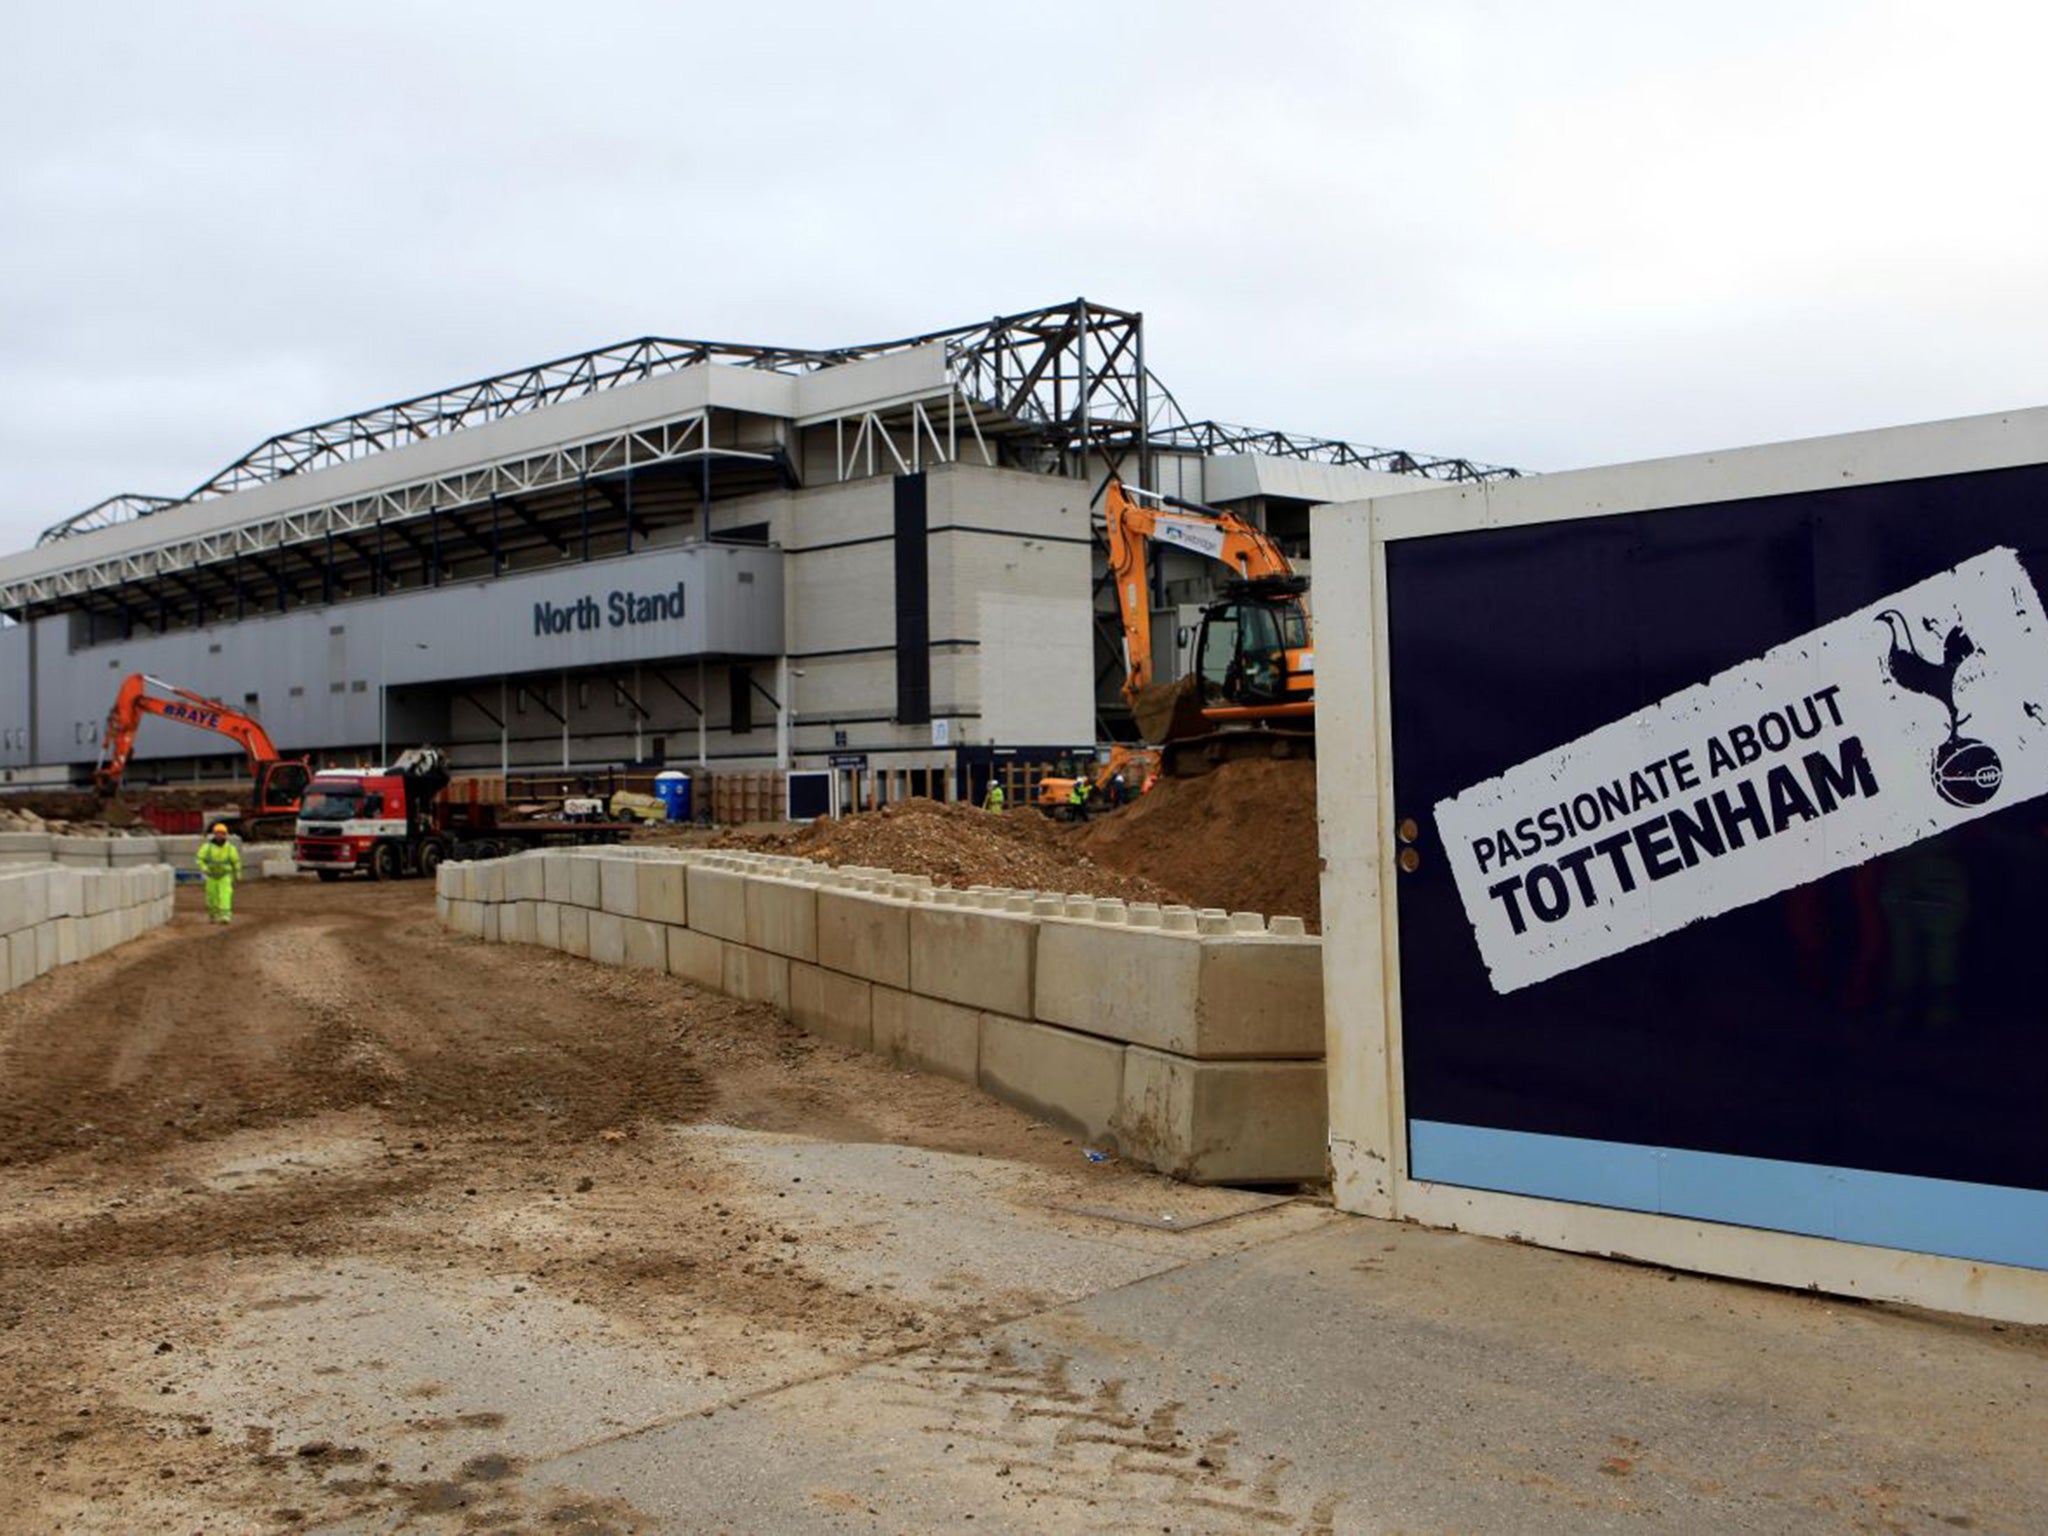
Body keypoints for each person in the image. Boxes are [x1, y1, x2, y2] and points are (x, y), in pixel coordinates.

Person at [196, 822, 242, 926]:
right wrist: (204, 868)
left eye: (222, 833)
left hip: (224, 875)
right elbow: (199, 859)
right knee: (211, 897)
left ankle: (225, 916)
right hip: (211, 876)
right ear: (214, 834)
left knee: (225, 895)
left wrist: (238, 873)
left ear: (225, 835)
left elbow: (236, 861)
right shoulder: (207, 847)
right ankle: (213, 914)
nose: (220, 835)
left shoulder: (230, 848)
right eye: (217, 833)